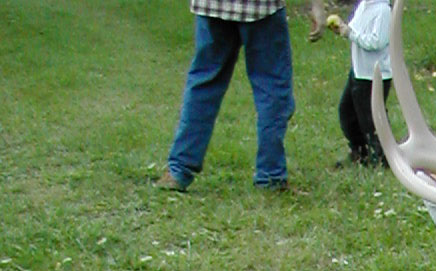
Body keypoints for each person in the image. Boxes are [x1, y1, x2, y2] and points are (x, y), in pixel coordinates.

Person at [156, 2, 295, 193]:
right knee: (271, 87)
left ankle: (179, 169)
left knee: (204, 83)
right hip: (261, 8)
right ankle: (271, 175)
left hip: (212, 6)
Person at [329, 1, 392, 168]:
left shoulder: (383, 10)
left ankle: (382, 156)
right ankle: (359, 151)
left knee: (371, 119)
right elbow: (355, 28)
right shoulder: (364, 5)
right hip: (359, 71)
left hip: (375, 75)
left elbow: (377, 42)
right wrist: (342, 28)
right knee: (347, 113)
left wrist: (350, 33)